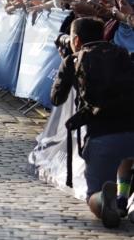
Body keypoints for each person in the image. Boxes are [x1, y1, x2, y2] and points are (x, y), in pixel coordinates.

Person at [51, 17, 134, 227]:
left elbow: (56, 98)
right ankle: (123, 199)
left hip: (102, 136)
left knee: (93, 197)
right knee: (128, 158)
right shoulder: (122, 54)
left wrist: (67, 61)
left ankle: (104, 199)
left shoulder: (74, 60)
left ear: (76, 41)